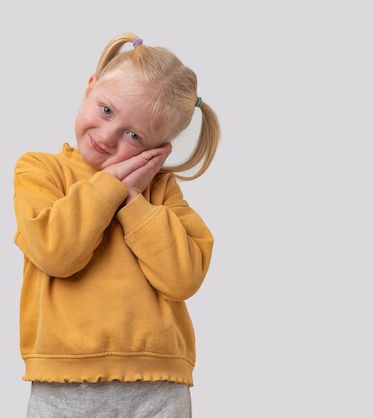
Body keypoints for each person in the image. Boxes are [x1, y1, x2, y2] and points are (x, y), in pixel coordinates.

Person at [13, 32, 221, 417]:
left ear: (157, 150)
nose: (107, 137)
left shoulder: (160, 191)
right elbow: (57, 253)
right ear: (90, 89)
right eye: (106, 110)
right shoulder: (40, 170)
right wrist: (110, 185)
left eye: (134, 135)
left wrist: (133, 199)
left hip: (159, 384)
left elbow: (184, 278)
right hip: (63, 383)